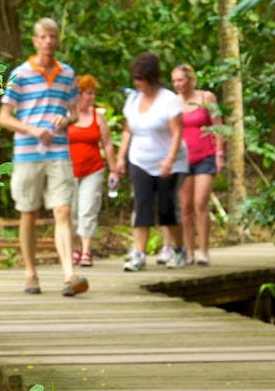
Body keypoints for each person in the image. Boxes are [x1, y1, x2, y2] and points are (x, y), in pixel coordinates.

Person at [0, 17, 89, 297]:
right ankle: (31, 273)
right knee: (29, 213)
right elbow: (4, 118)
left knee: (62, 210)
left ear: (56, 40)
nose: (49, 41)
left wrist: (65, 118)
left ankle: (69, 275)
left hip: (59, 150)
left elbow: (74, 112)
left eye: (53, 36)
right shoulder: (20, 74)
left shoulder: (67, 74)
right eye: (44, 37)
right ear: (35, 41)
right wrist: (32, 129)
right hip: (27, 152)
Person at [113, 52, 189, 271]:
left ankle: (178, 249)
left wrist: (169, 160)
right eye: (134, 78)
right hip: (140, 159)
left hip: (168, 162)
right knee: (142, 206)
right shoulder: (133, 99)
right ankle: (139, 253)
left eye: (141, 79)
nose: (137, 83)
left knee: (166, 210)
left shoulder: (168, 100)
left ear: (152, 77)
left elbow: (176, 133)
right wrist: (120, 159)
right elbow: (127, 131)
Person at [171, 64, 224, 266]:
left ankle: (203, 250)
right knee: (185, 207)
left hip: (206, 155)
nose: (178, 85)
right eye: (174, 81)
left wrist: (219, 154)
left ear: (190, 80)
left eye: (181, 80)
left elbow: (218, 126)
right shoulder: (173, 102)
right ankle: (189, 251)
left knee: (200, 203)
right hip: (182, 159)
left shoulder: (206, 98)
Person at [66, 74, 116, 268]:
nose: (91, 97)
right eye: (88, 93)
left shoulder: (98, 116)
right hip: (69, 170)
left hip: (93, 169)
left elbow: (108, 144)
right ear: (77, 94)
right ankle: (75, 248)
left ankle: (86, 251)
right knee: (71, 211)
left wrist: (113, 170)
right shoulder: (67, 115)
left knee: (88, 209)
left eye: (93, 94)